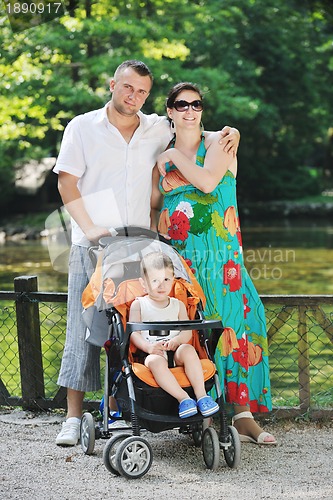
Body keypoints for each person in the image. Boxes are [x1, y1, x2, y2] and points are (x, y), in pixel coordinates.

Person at [53, 60, 240, 446]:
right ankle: (72, 417)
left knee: (137, 326)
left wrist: (231, 132)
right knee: (84, 330)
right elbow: (67, 182)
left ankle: (145, 403)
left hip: (140, 248)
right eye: (127, 88)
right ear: (112, 85)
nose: (133, 96)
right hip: (92, 245)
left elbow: (191, 123)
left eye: (141, 91)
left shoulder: (156, 127)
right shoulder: (82, 127)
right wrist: (88, 228)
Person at [151, 82, 277, 444]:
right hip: (182, 260)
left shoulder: (220, 142)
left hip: (222, 260)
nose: (190, 110)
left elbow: (207, 183)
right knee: (193, 334)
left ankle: (242, 415)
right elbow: (153, 205)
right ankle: (206, 412)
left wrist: (174, 158)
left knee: (234, 327)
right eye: (182, 104)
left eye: (196, 104)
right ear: (170, 111)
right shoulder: (160, 154)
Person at [129, 251, 219, 419]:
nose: (161, 285)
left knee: (188, 350)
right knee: (155, 361)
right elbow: (134, 334)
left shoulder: (178, 305)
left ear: (173, 280)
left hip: (176, 350)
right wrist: (148, 347)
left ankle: (201, 396)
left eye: (166, 280)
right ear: (143, 283)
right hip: (153, 351)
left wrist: (177, 340)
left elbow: (186, 332)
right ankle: (184, 399)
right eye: (154, 280)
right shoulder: (139, 305)